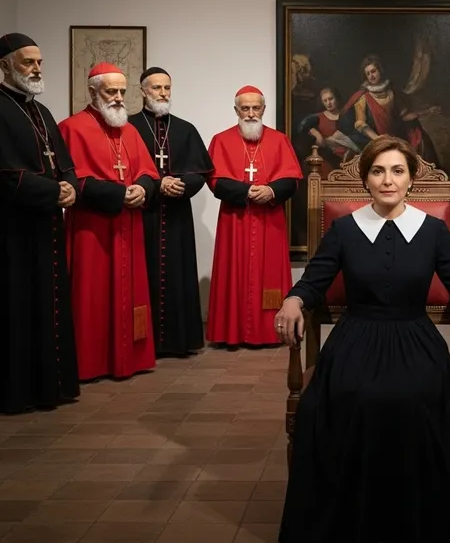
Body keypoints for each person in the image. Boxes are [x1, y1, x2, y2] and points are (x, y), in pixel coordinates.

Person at [276, 135, 450, 543]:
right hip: (356, 336)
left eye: (397, 171)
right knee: (358, 399)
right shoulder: (344, 229)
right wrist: (294, 301)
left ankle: (416, 535)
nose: (388, 180)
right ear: (366, 180)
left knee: (419, 399)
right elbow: (316, 279)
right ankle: (356, 534)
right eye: (378, 171)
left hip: (415, 336)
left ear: (411, 179)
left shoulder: (432, 230)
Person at [59, 62, 159, 381]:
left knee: (132, 295)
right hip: (93, 229)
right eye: (110, 91)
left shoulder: (128, 129)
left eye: (121, 91)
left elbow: (148, 171)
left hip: (129, 228)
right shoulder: (71, 128)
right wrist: (120, 194)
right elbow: (74, 181)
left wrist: (142, 188)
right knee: (92, 296)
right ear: (92, 92)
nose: (118, 98)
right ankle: (93, 363)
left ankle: (132, 358)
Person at [0, 33, 80, 412]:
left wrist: (71, 187)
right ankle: (19, 392)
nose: (36, 69)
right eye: (28, 62)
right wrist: (53, 192)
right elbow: (4, 176)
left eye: (39, 63)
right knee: (17, 306)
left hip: (46, 225)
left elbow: (65, 164)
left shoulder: (42, 112)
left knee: (49, 303)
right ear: (4, 66)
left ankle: (52, 387)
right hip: (12, 230)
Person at [206, 85, 302, 347]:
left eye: (255, 108)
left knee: (268, 275)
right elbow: (215, 181)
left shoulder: (279, 140)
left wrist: (271, 190)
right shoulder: (221, 140)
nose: (250, 113)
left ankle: (271, 332)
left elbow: (292, 180)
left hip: (270, 223)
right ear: (236, 110)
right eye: (245, 108)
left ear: (264, 109)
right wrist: (248, 190)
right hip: (235, 221)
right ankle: (231, 333)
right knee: (233, 273)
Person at [129, 67, 213, 357]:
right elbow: (124, 171)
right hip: (144, 214)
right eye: (156, 88)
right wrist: (157, 183)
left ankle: (179, 341)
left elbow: (201, 171)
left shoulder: (185, 128)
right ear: (142, 91)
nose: (163, 93)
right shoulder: (129, 128)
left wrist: (181, 184)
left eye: (167, 88)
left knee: (177, 275)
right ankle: (143, 342)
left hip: (177, 215)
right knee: (142, 275)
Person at [340, 54, 439, 164]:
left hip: (395, 136)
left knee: (420, 136)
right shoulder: (363, 96)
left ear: (380, 71)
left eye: (373, 71)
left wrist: (426, 112)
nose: (371, 76)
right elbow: (360, 124)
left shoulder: (392, 92)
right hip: (374, 139)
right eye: (368, 74)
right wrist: (378, 139)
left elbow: (404, 116)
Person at [298, 86, 361, 177]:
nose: (328, 103)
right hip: (329, 159)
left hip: (350, 160)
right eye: (325, 100)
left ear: (337, 99)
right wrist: (316, 133)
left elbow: (355, 137)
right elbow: (302, 127)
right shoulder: (318, 117)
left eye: (331, 99)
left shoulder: (348, 116)